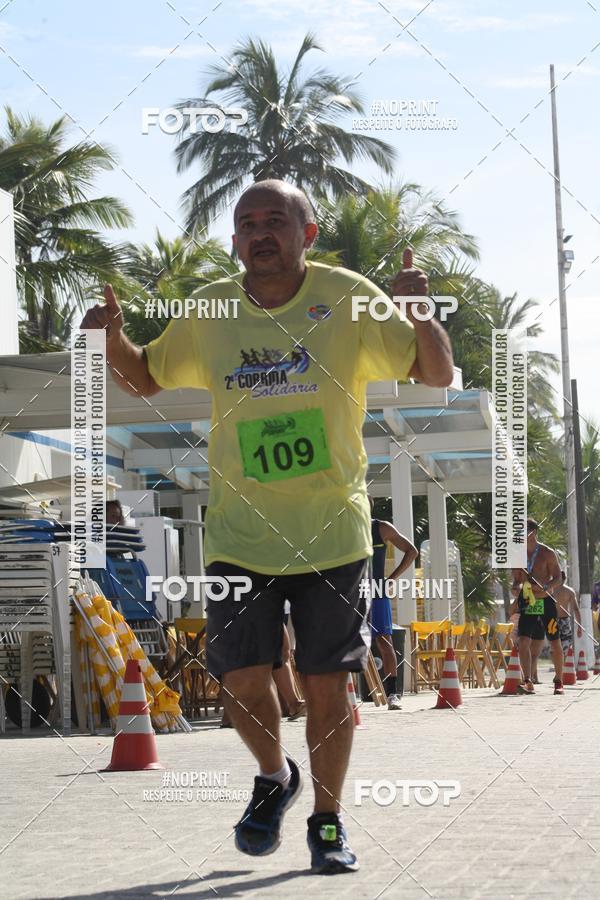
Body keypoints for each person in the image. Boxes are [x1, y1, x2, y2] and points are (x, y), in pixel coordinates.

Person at [80, 178, 454, 874]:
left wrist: (420, 313)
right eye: (247, 223)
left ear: (306, 234)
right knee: (241, 681)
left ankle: (327, 822)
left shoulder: (347, 296)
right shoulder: (211, 308)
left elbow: (435, 372)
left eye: (275, 221)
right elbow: (146, 378)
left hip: (333, 533)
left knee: (327, 684)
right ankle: (276, 776)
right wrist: (111, 340)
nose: (260, 233)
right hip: (239, 534)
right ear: (235, 240)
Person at [369, 499, 417, 709]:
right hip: (353, 593)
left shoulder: (381, 528)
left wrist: (392, 579)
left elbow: (412, 551)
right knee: (346, 642)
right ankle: (344, 695)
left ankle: (392, 694)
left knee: (384, 642)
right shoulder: (345, 529)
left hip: (377, 592)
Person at [509, 518, 564, 695]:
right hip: (528, 601)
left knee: (554, 641)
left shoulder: (547, 553)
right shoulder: (518, 555)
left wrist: (548, 586)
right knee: (523, 641)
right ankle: (527, 680)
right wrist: (515, 587)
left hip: (545, 601)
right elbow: (517, 580)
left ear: (532, 533)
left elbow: (558, 577)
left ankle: (558, 681)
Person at [554, 570, 583, 656]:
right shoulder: (569, 591)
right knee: (565, 647)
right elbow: (576, 609)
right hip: (564, 621)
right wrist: (579, 627)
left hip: (553, 621)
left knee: (554, 646)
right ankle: (563, 663)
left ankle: (558, 663)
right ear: (565, 579)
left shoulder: (550, 590)